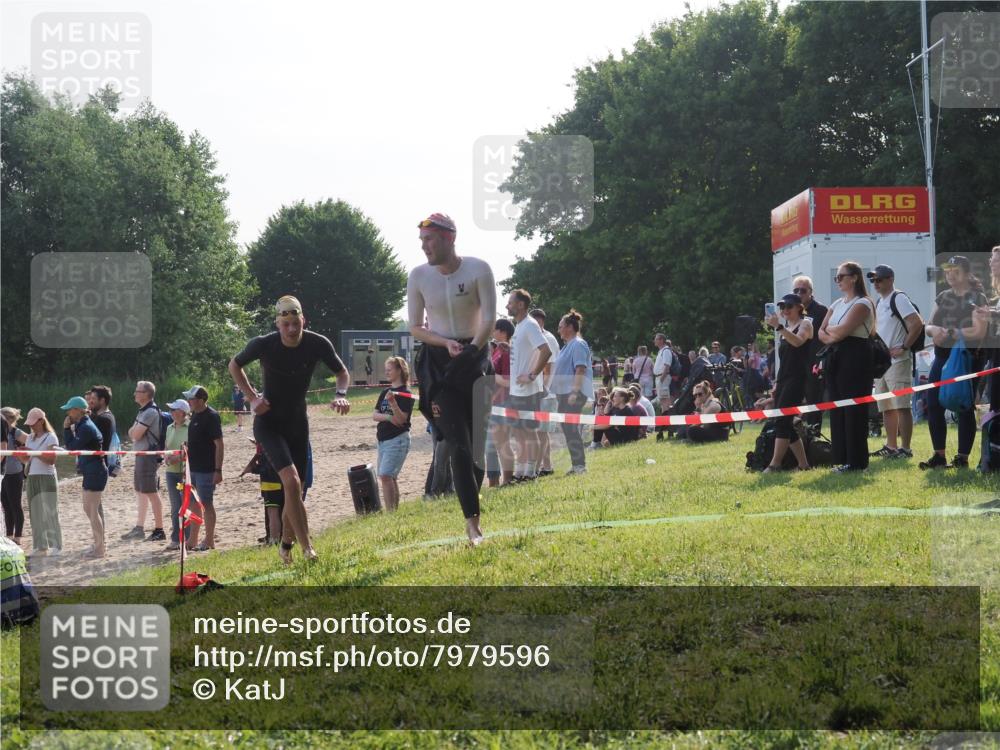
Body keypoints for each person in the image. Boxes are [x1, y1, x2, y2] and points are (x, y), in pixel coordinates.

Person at [230, 295, 350, 563]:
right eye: (286, 324)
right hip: (268, 423)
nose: (292, 330)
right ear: (278, 324)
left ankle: (285, 545)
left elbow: (342, 372)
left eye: (296, 323)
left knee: (297, 489)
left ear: (303, 320)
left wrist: (340, 393)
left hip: (298, 423)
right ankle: (308, 549)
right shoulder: (263, 344)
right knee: (291, 482)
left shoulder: (317, 343)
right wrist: (252, 398)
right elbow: (234, 365)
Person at [409, 213, 496, 545]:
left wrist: (473, 349)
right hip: (440, 363)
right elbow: (415, 326)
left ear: (449, 238)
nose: (425, 247)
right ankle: (472, 523)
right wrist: (443, 342)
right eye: (421, 241)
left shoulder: (478, 269)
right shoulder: (418, 276)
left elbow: (489, 316)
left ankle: (473, 503)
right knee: (456, 442)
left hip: (476, 357)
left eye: (430, 240)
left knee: (476, 449)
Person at [920, 255, 989, 469]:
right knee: (933, 403)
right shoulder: (943, 296)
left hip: (967, 359)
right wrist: (935, 331)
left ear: (967, 274)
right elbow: (928, 325)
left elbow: (979, 331)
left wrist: (950, 331)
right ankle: (939, 455)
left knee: (963, 405)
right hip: (941, 357)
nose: (950, 273)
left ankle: (962, 458)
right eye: (947, 270)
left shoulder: (978, 297)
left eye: (955, 270)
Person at [817, 261, 876, 472]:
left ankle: (857, 461)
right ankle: (842, 458)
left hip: (856, 357)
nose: (838, 281)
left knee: (853, 409)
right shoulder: (836, 304)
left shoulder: (863, 303)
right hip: (836, 357)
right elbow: (821, 332)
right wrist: (834, 332)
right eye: (837, 277)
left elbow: (841, 332)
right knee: (837, 408)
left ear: (854, 278)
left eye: (841, 276)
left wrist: (833, 331)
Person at [868, 265, 924, 460]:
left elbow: (917, 323)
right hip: (883, 363)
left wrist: (904, 346)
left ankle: (906, 448)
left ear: (891, 279)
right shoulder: (879, 300)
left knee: (902, 406)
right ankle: (891, 446)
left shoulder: (898, 297)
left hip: (898, 361)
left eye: (879, 279)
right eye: (873, 280)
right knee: (886, 407)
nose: (876, 283)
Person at [506, 290, 553, 483]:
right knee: (519, 432)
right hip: (516, 389)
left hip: (528, 390)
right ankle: (521, 470)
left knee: (529, 431)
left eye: (510, 302)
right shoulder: (520, 326)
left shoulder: (530, 325)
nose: (507, 306)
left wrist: (533, 375)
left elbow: (546, 351)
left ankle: (531, 472)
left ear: (521, 305)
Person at [762, 294, 813, 472]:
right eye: (782, 307)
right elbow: (785, 359)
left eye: (789, 306)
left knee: (782, 421)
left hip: (798, 379)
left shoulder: (805, 324)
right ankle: (804, 465)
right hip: (784, 379)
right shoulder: (785, 329)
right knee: (785, 421)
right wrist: (777, 383)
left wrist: (779, 327)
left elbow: (798, 342)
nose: (784, 310)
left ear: (799, 307)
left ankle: (775, 464)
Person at [61, 396, 108, 558]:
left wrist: (67, 429)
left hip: (96, 471)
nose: (67, 413)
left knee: (93, 511)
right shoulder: (82, 424)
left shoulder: (86, 426)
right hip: (91, 470)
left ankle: (100, 549)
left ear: (77, 410)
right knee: (88, 509)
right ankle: (97, 544)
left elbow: (73, 447)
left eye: (69, 409)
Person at [181, 386, 224, 551]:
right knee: (193, 504)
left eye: (191, 399)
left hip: (206, 469)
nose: (189, 402)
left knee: (206, 504)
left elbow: (219, 444)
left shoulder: (211, 416)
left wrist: (218, 470)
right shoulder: (195, 416)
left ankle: (209, 540)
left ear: (200, 400)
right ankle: (192, 540)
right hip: (193, 469)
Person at [551, 310, 594, 475]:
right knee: (568, 428)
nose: (558, 330)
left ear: (569, 327)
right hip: (564, 393)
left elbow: (580, 369)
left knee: (570, 428)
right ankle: (577, 465)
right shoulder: (567, 346)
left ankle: (580, 466)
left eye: (560, 326)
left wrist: (574, 392)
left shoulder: (578, 344)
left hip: (573, 393)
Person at [123, 381, 165, 542]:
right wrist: (134, 431)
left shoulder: (150, 412)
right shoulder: (143, 411)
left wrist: (134, 431)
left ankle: (159, 529)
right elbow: (132, 432)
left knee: (151, 491)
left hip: (148, 455)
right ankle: (139, 527)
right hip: (141, 455)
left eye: (137, 391)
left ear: (146, 394)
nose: (134, 394)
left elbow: (134, 434)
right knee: (141, 491)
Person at [372, 356, 414, 512]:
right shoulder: (385, 391)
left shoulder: (405, 393)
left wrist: (393, 404)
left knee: (386, 475)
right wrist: (389, 417)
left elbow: (402, 420)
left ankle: (391, 513)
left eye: (390, 369)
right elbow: (375, 415)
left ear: (399, 370)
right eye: (386, 369)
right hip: (383, 440)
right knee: (388, 477)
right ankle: (393, 512)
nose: (387, 372)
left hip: (397, 439)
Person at [22, 408, 62, 556]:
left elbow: (51, 460)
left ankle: (56, 545)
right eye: (29, 424)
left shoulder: (50, 437)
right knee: (35, 513)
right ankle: (40, 546)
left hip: (47, 477)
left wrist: (35, 453)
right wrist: (22, 454)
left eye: (33, 423)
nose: (31, 426)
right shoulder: (29, 438)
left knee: (50, 511)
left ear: (41, 421)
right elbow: (26, 460)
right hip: (32, 477)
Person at [793, 275, 829, 430]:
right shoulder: (792, 309)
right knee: (792, 400)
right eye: (796, 290)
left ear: (810, 292)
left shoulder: (821, 310)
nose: (799, 293)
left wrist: (822, 361)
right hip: (796, 363)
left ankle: (813, 436)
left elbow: (827, 336)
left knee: (814, 401)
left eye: (803, 290)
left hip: (814, 363)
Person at [529, 308, 560, 477]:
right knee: (543, 431)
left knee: (540, 432)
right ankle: (547, 466)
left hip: (545, 393)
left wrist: (542, 390)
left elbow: (548, 368)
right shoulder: (543, 337)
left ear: (539, 322)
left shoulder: (546, 339)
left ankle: (536, 468)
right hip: (545, 392)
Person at [490, 319, 516, 486]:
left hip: (503, 401)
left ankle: (507, 479)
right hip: (494, 401)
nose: (492, 331)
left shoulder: (506, 351)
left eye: (495, 329)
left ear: (502, 331)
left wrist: (491, 377)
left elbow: (508, 380)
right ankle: (501, 480)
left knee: (503, 443)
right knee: (497, 444)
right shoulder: (497, 350)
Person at [85, 385, 116, 523]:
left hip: (97, 465)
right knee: (93, 506)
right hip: (96, 465)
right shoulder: (101, 417)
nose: (90, 401)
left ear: (102, 400)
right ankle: (100, 541)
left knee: (94, 506)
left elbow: (92, 442)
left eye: (93, 399)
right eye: (89, 398)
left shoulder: (104, 419)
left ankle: (100, 542)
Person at [163, 399, 190, 551]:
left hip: (185, 472)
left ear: (182, 412)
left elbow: (191, 448)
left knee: (186, 505)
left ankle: (188, 537)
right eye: (171, 410)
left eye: (174, 410)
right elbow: (167, 446)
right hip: (171, 472)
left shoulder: (191, 427)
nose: (171, 412)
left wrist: (178, 458)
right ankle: (175, 538)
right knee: (175, 507)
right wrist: (167, 457)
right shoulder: (169, 427)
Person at [1, 408, 28, 544]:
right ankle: (9, 536)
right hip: (4, 474)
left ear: (7, 419)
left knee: (15, 506)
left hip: (15, 473)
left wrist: (21, 450)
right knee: (6, 506)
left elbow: (30, 441)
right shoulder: (2, 431)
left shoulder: (14, 432)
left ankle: (17, 537)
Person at [653, 334, 675, 417]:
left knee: (665, 401)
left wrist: (661, 380)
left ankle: (666, 422)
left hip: (663, 378)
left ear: (661, 340)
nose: (654, 341)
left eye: (656, 339)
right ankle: (664, 422)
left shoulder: (666, 351)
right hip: (660, 377)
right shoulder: (661, 351)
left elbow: (667, 366)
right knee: (663, 401)